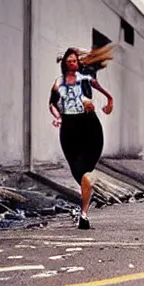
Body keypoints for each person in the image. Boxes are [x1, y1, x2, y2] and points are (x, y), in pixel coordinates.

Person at [49, 46, 114, 229]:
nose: (73, 62)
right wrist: (58, 117)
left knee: (85, 172)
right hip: (69, 127)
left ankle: (83, 214)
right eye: (69, 60)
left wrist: (109, 102)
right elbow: (53, 103)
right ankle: (84, 210)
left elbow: (103, 91)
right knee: (80, 173)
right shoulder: (59, 81)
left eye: (76, 60)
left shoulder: (87, 74)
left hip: (89, 125)